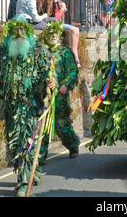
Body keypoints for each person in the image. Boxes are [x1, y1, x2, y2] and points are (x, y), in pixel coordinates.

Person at [0, 15, 56, 197]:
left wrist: (50, 83)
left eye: (22, 30)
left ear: (28, 31)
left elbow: (46, 76)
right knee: (14, 146)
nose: (19, 34)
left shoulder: (39, 51)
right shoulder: (2, 51)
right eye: (15, 31)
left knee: (26, 144)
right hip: (10, 107)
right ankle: (30, 172)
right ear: (10, 31)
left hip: (30, 107)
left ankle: (24, 182)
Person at [38, 21, 79, 164]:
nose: (53, 36)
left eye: (56, 33)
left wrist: (65, 85)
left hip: (60, 97)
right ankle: (40, 155)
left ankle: (73, 145)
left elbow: (73, 71)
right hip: (43, 98)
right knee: (42, 127)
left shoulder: (65, 52)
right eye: (50, 33)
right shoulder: (40, 52)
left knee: (63, 126)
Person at [43, 0, 80, 66]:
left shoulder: (56, 2)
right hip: (54, 23)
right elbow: (56, 18)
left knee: (76, 30)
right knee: (74, 30)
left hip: (58, 23)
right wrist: (62, 9)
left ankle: (75, 54)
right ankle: (74, 55)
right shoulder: (49, 3)